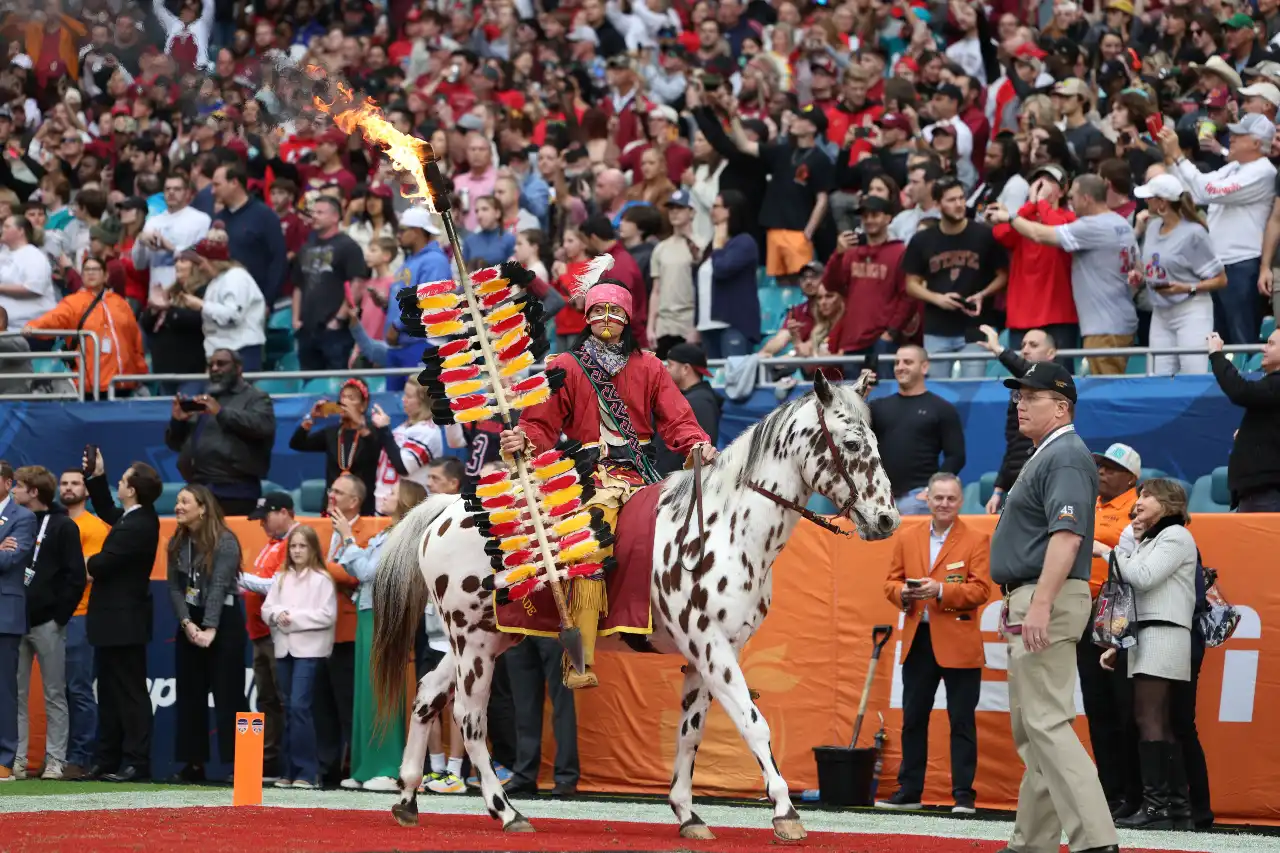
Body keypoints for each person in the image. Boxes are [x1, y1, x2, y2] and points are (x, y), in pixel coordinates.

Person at [499, 277, 715, 689]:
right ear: (586, 316)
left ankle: (708, 647)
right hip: (591, 477)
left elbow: (679, 420)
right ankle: (579, 660)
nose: (605, 319)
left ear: (628, 319)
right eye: (597, 311)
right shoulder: (565, 366)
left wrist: (698, 445)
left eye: (614, 312)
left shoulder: (650, 366)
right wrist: (522, 438)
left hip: (645, 476)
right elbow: (541, 424)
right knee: (590, 544)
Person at [987, 362, 1118, 853]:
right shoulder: (1051, 452)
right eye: (1018, 395)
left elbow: (1067, 536)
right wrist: (1023, 598)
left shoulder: (1063, 455)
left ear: (1061, 406)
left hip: (1048, 595)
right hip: (1034, 593)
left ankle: (1096, 841)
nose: (1019, 403)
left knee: (1045, 721)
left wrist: (1039, 602)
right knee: (1034, 728)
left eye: (1031, 396)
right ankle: (1033, 844)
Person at [878, 472, 990, 814]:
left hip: (958, 640)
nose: (944, 504)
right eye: (938, 498)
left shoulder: (976, 539)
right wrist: (904, 593)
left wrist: (940, 591)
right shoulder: (907, 537)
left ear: (961, 501)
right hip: (918, 640)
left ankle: (963, 797)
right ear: (926, 498)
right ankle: (909, 791)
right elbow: (890, 583)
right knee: (913, 719)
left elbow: (982, 590)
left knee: (961, 722)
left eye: (951, 498)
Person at [1097, 479, 1197, 830]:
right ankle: (1175, 808)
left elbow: (1142, 577)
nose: (1138, 502)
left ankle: (1157, 808)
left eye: (1146, 496)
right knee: (1158, 721)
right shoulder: (1154, 539)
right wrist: (1117, 644)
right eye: (1138, 496)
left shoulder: (1175, 536)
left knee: (1150, 718)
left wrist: (1108, 551)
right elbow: (1133, 584)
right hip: (1148, 634)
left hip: (1163, 633)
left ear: (1167, 503)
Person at [987, 175, 1139, 376]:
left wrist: (1012, 216)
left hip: (1104, 327)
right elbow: (1138, 267)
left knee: (1107, 392)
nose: (1071, 201)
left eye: (1073, 196)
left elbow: (1039, 234)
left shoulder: (1092, 226)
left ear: (1086, 199)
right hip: (1118, 320)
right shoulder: (1120, 223)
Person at [336, 480, 425, 791]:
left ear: (405, 501)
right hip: (367, 613)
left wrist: (348, 539)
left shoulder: (404, 535)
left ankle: (387, 768)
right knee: (366, 691)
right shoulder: (386, 533)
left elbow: (370, 573)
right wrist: (346, 539)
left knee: (381, 687)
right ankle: (364, 768)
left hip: (384, 616)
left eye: (392, 493)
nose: (384, 496)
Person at [1156, 120, 1276, 347]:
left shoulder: (1263, 172)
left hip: (1242, 264)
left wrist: (1180, 157)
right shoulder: (1235, 166)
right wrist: (1171, 159)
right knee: (1219, 340)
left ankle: (1247, 382)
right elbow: (1194, 193)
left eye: (1239, 135)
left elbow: (1206, 191)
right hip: (1220, 264)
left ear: (1256, 143)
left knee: (1242, 341)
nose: (1231, 138)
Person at [82, 449, 162, 782]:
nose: (119, 482)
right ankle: (107, 758)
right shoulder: (131, 517)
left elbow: (102, 564)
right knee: (111, 693)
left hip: (125, 621)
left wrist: (83, 562)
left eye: (123, 480)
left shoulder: (141, 523)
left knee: (129, 693)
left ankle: (135, 761)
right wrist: (97, 476)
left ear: (134, 489)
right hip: (111, 621)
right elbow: (106, 509)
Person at [166, 484, 246, 784]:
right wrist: (187, 624)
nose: (178, 506)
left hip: (224, 620)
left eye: (184, 501)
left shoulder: (225, 541)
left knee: (229, 695)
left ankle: (240, 765)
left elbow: (219, 586)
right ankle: (192, 763)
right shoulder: (177, 541)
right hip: (191, 621)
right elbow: (174, 587)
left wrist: (210, 627)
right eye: (177, 501)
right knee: (189, 695)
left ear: (203, 507)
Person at [1082, 442, 1144, 816]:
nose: (1102, 472)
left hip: (1119, 610)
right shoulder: (1091, 504)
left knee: (1125, 706)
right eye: (1100, 466)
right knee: (1098, 706)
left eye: (1110, 468)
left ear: (1130, 479)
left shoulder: (1138, 509)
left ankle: (1135, 794)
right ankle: (1110, 793)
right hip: (1085, 609)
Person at [11, 466, 84, 781]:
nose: (14, 491)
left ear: (33, 492)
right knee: (15, 693)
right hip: (15, 620)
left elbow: (75, 576)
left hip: (47, 623)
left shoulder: (63, 526)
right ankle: (15, 757)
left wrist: (59, 617)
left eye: (19, 486)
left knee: (55, 693)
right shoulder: (15, 522)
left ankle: (55, 760)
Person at [904, 177, 1009, 379]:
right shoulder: (923, 239)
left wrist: (983, 294)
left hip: (976, 324)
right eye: (951, 200)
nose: (959, 204)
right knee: (938, 387)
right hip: (937, 327)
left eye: (961, 198)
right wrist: (937, 299)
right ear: (936, 204)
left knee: (974, 386)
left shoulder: (983, 235)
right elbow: (911, 284)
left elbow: (1003, 276)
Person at [262, 525, 338, 790]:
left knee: (300, 707)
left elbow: (327, 615)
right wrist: (277, 614)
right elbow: (266, 609)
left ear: (312, 548)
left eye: (302, 546)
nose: (296, 550)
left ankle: (307, 772)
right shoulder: (281, 577)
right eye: (293, 546)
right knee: (289, 708)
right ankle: (289, 771)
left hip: (309, 651)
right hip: (284, 649)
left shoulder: (322, 579)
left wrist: (290, 619)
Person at [1131, 174, 1226, 376]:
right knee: (1157, 376)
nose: (1145, 201)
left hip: (1191, 309)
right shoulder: (1153, 226)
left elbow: (1220, 279)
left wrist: (1188, 287)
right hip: (1160, 310)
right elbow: (1152, 264)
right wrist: (1140, 274)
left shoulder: (1194, 233)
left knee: (1193, 373)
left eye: (1150, 197)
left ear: (1162, 202)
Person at [165, 349, 277, 516]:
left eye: (221, 364)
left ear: (238, 368)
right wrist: (178, 421)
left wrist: (221, 412)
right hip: (200, 489)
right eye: (211, 365)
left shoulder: (256, 397)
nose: (215, 368)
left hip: (237, 492)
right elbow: (175, 444)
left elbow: (263, 426)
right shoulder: (205, 400)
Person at [236, 492, 300, 783]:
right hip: (260, 634)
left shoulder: (295, 544)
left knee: (283, 699)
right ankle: (270, 763)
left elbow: (278, 585)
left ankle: (289, 763)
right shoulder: (272, 544)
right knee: (268, 699)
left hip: (281, 634)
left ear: (285, 512)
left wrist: (237, 578)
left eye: (266, 517)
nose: (261, 523)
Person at [23, 255, 147, 399]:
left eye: (95, 269)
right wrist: (32, 327)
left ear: (106, 275)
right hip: (91, 386)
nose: (91, 273)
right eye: (87, 270)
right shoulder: (73, 302)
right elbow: (53, 319)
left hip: (125, 383)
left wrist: (141, 374)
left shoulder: (121, 304)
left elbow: (135, 342)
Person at [318, 473, 373, 786]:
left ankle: (353, 767)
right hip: (319, 629)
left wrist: (318, 568)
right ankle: (326, 769)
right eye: (331, 490)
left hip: (350, 630)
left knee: (348, 705)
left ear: (354, 501)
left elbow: (359, 574)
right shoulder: (323, 531)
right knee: (322, 703)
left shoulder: (366, 532)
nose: (332, 495)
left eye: (338, 492)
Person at [868, 345, 966, 515]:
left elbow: (956, 456)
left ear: (924, 367)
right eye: (897, 362)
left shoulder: (942, 408)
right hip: (880, 498)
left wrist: (931, 490)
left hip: (918, 499)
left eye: (907, 362)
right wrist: (861, 394)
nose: (900, 367)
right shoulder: (877, 407)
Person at [57, 470, 109, 780]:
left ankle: (80, 757)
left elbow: (88, 571)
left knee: (78, 689)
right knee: (58, 692)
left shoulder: (93, 527)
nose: (68, 487)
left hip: (82, 613)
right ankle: (58, 756)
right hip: (56, 615)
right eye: (64, 483)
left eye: (75, 483)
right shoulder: (56, 523)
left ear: (86, 491)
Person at [976, 326, 1060, 514]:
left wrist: (998, 349)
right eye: (1023, 345)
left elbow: (1032, 372)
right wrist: (998, 490)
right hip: (1018, 485)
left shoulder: (1056, 379)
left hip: (1045, 482)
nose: (1025, 349)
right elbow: (1013, 445)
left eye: (1033, 344)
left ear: (1051, 353)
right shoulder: (1017, 392)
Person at [827, 197, 913, 379]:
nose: (869, 220)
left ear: (889, 218)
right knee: (854, 401)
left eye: (875, 215)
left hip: (882, 340)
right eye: (865, 216)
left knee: (886, 396)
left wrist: (891, 332)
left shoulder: (899, 252)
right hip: (852, 339)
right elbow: (831, 285)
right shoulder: (851, 252)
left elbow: (907, 296)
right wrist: (837, 254)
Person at [290, 378, 398, 516]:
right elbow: (297, 444)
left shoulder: (374, 431)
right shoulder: (332, 432)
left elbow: (375, 450)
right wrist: (310, 418)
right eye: (342, 397)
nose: (345, 402)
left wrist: (360, 424)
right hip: (332, 506)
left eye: (351, 398)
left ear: (363, 405)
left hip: (363, 508)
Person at [292, 195, 369, 371]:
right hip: (307, 328)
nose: (314, 216)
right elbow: (298, 285)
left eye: (320, 212)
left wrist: (338, 319)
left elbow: (357, 283)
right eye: (313, 212)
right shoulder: (306, 247)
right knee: (308, 383)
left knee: (335, 381)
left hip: (335, 331)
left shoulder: (348, 246)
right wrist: (296, 319)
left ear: (335, 217)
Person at [1208, 329, 1280, 510]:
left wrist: (1217, 355)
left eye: (1271, 344)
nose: (1264, 348)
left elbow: (1241, 391)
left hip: (1267, 493)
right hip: (1258, 492)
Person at [0, 462, 36, 782]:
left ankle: (4, 759)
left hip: (4, 614)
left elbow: (11, 559)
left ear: (9, 482)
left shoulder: (24, 517)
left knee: (4, 690)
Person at [693, 190, 761, 359]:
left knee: (734, 379)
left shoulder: (745, 242)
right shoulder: (713, 245)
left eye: (717, 206)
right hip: (707, 326)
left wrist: (718, 247)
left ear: (731, 210)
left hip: (733, 324)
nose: (712, 211)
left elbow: (723, 269)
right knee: (714, 381)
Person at [656, 343, 723, 475]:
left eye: (670, 365)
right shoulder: (694, 398)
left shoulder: (699, 402)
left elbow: (698, 451)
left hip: (673, 484)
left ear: (686, 369)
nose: (666, 370)